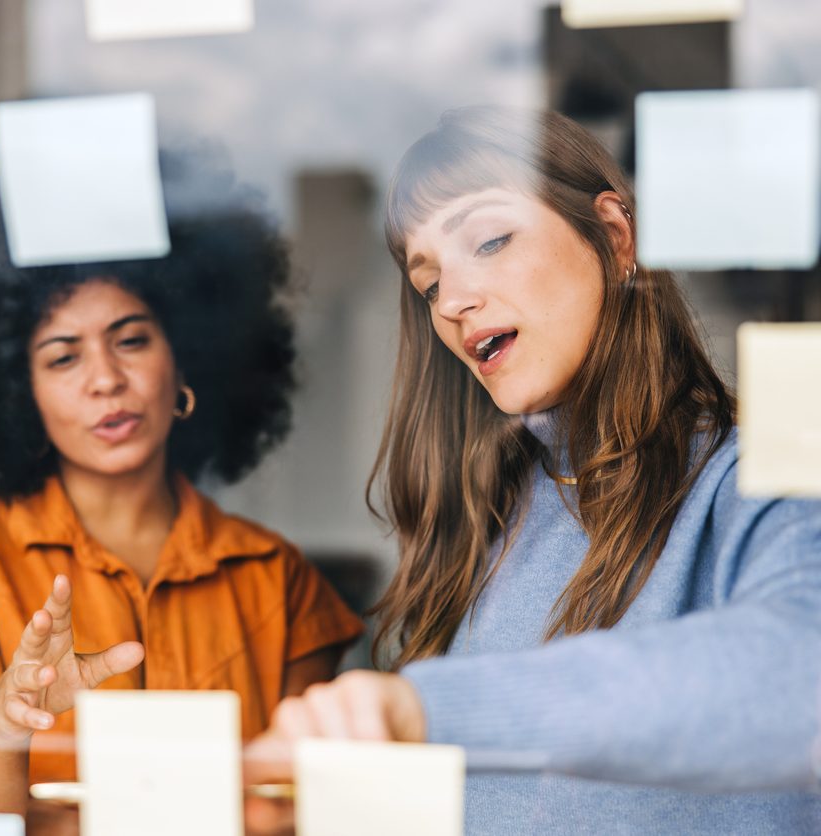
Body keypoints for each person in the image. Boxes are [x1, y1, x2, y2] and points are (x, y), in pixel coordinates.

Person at [244, 107, 821, 834]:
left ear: (615, 238)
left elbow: (796, 672)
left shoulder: (769, 478)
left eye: (489, 240)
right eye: (428, 286)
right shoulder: (484, 522)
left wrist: (426, 709)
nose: (452, 303)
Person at [0, 117, 363, 818]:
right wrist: (3, 724)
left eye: (131, 339)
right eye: (62, 356)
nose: (105, 378)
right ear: (15, 393)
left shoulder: (275, 582)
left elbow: (299, 815)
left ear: (190, 358)